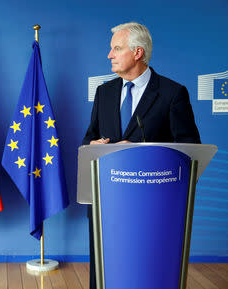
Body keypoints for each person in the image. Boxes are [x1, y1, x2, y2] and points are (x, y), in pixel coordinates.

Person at [82, 22, 200, 289]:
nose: (109, 55)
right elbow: (88, 136)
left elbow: (190, 147)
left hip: (153, 208)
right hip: (107, 202)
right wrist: (94, 143)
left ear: (137, 53)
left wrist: (139, 153)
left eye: (116, 48)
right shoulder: (104, 92)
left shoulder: (172, 94)